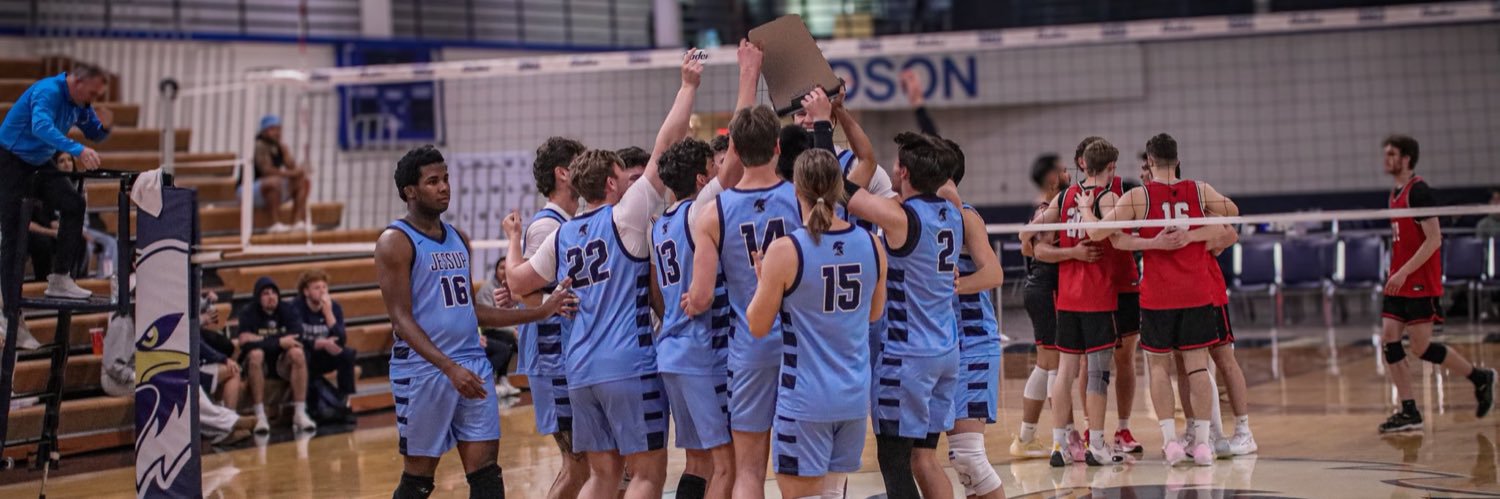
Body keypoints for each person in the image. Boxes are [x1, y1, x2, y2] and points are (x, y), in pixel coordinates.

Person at [507, 52, 699, 499]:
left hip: (580, 371)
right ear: (612, 184)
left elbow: (516, 284)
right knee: (648, 475)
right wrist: (688, 86)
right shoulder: (626, 218)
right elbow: (666, 143)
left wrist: (512, 239)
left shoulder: (562, 235)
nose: (630, 184)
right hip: (628, 366)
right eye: (623, 177)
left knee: (602, 477)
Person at [376, 144, 576, 499]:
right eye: (433, 181)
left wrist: (540, 311)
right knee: (419, 480)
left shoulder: (458, 238)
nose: (444, 187)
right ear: (410, 191)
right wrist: (449, 368)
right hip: (426, 371)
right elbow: (401, 321)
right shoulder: (395, 242)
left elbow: (469, 309)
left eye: (446, 179)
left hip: (472, 365)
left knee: (486, 475)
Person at [680, 40, 802, 499]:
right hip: (797, 342)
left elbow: (703, 295)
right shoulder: (801, 199)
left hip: (749, 345)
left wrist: (691, 299)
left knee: (748, 470)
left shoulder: (713, 213)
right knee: (803, 471)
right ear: (776, 146)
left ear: (732, 147)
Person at [1080, 133, 1236, 466]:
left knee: (1160, 368)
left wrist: (1085, 211)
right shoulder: (1199, 190)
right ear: (1177, 160)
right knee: (1197, 368)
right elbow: (1231, 217)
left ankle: (1171, 443)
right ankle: (1205, 444)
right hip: (1196, 292)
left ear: (1150, 162)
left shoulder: (1138, 196)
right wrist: (1192, 233)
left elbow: (1101, 235)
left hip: (1158, 296)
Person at [744, 149, 886, 499]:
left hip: (805, 401)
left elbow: (757, 327)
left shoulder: (785, 250)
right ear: (841, 189)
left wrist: (765, 283)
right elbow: (873, 315)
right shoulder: (872, 244)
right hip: (852, 399)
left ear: (797, 190)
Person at [843, 124, 962, 499]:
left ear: (904, 173)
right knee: (924, 458)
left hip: (909, 358)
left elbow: (842, 191)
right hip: (946, 350)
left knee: (893, 462)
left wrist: (824, 123)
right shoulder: (952, 212)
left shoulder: (901, 219)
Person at [1374, 135, 1494, 433]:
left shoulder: (1420, 192)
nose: (1386, 159)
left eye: (1391, 154)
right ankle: (1409, 410)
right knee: (1389, 339)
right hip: (1398, 281)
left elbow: (1434, 239)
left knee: (1421, 347)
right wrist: (1395, 272)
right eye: (1386, 154)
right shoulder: (1395, 193)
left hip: (1419, 283)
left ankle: (1480, 377)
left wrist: (1404, 273)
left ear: (1406, 158)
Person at [647, 135, 742, 499]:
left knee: (698, 463)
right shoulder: (699, 210)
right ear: (702, 180)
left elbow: (656, 289)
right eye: (711, 168)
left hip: (671, 353)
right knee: (725, 465)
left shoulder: (659, 226)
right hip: (702, 352)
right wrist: (749, 78)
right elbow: (734, 161)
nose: (718, 171)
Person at [1032, 140, 1129, 467]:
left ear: (1083, 165)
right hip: (1097, 297)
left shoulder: (1065, 196)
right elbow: (1109, 236)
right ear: (1112, 167)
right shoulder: (1109, 197)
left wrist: (1064, 250)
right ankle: (1097, 445)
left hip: (1068, 298)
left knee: (1065, 372)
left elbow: (1036, 244)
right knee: (1099, 373)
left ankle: (1059, 444)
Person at [503, 135, 589, 499]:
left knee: (588, 464)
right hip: (553, 358)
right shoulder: (547, 225)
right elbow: (525, 290)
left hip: (567, 357)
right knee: (577, 465)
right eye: (581, 162)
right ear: (563, 173)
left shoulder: (571, 220)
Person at [0, 62, 113, 300]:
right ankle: (10, 312)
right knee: (13, 233)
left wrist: (104, 126)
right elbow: (40, 126)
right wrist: (78, 149)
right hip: (11, 159)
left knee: (74, 204)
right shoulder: (48, 91)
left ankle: (60, 277)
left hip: (39, 161)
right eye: (92, 93)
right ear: (78, 82)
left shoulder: (81, 102)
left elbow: (94, 132)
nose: (93, 99)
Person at [1012, 152, 1084, 460]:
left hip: (1041, 290)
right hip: (1046, 289)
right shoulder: (1048, 210)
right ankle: (1064, 435)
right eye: (1065, 171)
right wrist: (1076, 254)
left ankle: (1027, 438)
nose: (1070, 174)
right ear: (1053, 178)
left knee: (1045, 365)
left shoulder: (1050, 208)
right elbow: (1038, 250)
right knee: (1056, 367)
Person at [236, 276, 316, 434]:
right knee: (256, 354)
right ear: (258, 297)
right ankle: (260, 414)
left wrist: (260, 339)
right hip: (259, 364)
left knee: (297, 353)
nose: (271, 296)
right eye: (266, 293)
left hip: (281, 362)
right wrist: (279, 342)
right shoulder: (248, 312)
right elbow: (245, 342)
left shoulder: (287, 309)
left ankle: (300, 412)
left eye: (274, 293)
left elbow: (298, 337)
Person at [292, 270, 358, 413]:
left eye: (324, 287)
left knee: (347, 354)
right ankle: (309, 406)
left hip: (324, 355)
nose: (322, 291)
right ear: (306, 291)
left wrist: (328, 314)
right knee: (302, 354)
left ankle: (344, 398)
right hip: (306, 355)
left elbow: (341, 339)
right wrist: (320, 343)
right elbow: (296, 338)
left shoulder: (333, 307)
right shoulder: (296, 307)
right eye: (317, 288)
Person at [249, 114, 312, 234]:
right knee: (274, 182)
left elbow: (293, 168)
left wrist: (286, 154)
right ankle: (275, 223)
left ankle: (297, 222)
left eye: (278, 129)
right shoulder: (259, 145)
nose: (277, 133)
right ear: (264, 131)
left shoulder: (279, 147)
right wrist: (292, 173)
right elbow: (266, 170)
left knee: (302, 181)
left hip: (270, 186)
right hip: (249, 189)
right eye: (273, 129)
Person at [476, 256, 522, 398]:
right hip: (492, 330)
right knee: (506, 343)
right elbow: (487, 319)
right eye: (501, 268)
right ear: (495, 270)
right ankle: (488, 382)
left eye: (506, 268)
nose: (504, 271)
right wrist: (512, 330)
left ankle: (504, 379)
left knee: (517, 343)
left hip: (508, 330)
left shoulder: (514, 290)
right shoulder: (487, 289)